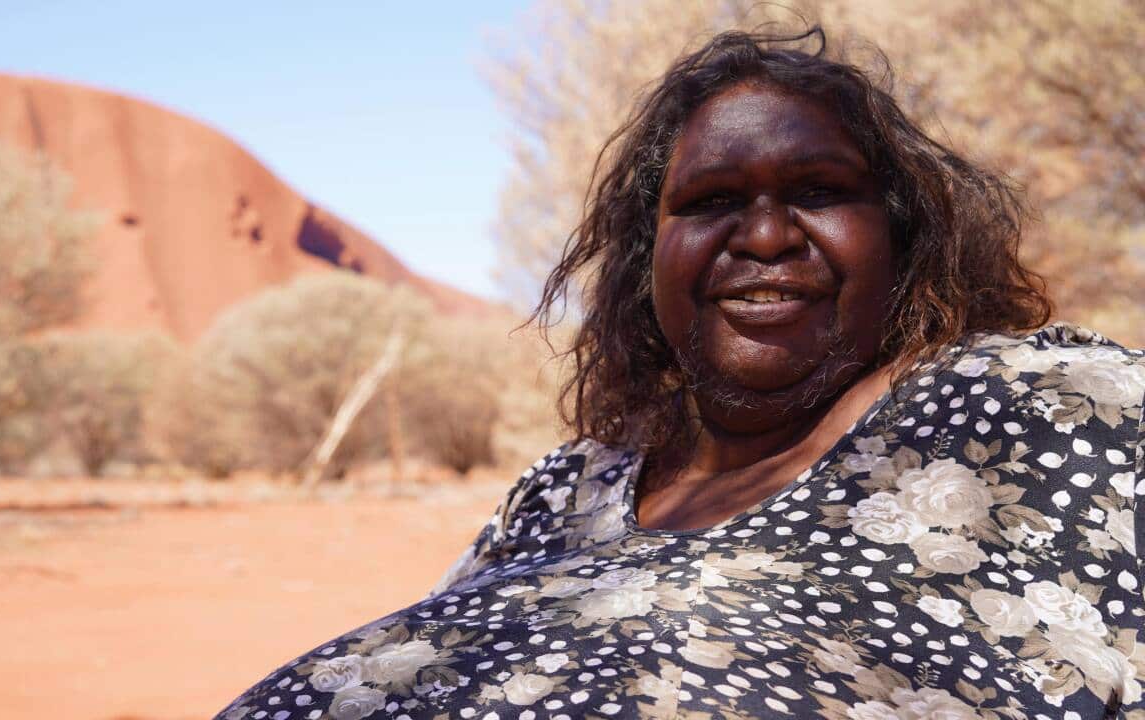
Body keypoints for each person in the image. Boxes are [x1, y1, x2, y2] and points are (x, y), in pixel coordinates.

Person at [215, 27, 1143, 720]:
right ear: (646, 255)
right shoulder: (565, 489)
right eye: (711, 202)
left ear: (902, 236)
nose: (769, 237)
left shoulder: (1040, 406)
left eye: (818, 192)